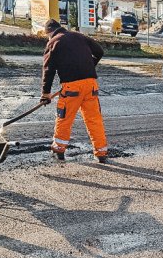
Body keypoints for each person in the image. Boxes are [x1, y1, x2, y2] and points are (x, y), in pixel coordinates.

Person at [40, 18, 113, 163]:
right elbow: (99, 51)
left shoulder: (53, 42)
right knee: (94, 119)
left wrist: (45, 94)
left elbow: (48, 70)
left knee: (64, 118)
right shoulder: (80, 36)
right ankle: (101, 153)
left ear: (49, 32)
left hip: (72, 87)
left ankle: (59, 150)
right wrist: (89, 66)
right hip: (91, 84)